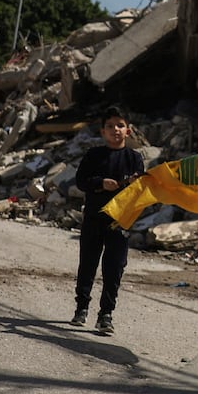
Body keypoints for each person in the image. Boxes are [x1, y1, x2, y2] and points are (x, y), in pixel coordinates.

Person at [71, 107, 144, 336]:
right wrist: (101, 183)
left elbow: (140, 190)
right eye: (110, 126)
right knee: (88, 264)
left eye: (120, 125)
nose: (115, 130)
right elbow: (81, 181)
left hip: (119, 222)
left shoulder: (134, 159)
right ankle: (81, 308)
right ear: (103, 131)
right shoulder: (93, 155)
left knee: (114, 268)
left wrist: (132, 183)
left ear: (128, 131)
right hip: (94, 218)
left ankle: (106, 315)